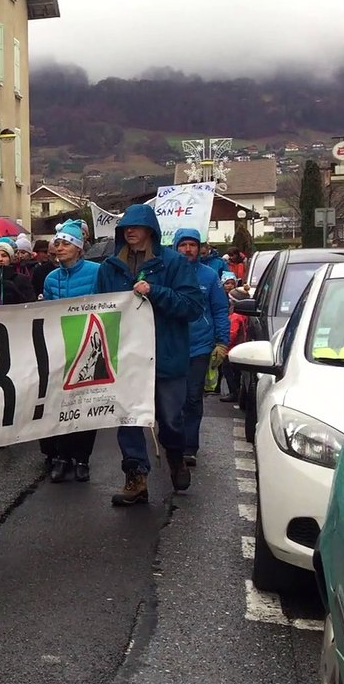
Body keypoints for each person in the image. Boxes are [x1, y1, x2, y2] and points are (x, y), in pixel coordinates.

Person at [96, 205, 204, 506]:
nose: (130, 231)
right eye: (125, 227)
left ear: (150, 230)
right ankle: (136, 478)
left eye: (136, 226)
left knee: (170, 420)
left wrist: (155, 291)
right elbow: (98, 311)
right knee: (128, 419)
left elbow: (193, 307)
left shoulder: (174, 264)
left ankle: (175, 456)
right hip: (126, 360)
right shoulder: (109, 268)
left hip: (166, 357)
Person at [40, 220, 102, 482]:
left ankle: (82, 459)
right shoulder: (51, 278)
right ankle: (62, 456)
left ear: (79, 248)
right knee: (59, 404)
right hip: (60, 349)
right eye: (58, 243)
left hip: (89, 347)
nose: (60, 247)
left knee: (86, 404)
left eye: (66, 243)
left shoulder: (97, 272)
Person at [173, 229, 230, 468]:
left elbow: (219, 309)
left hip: (199, 346)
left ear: (199, 248)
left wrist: (222, 341)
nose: (188, 249)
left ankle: (189, 447)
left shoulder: (208, 276)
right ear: (175, 248)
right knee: (172, 399)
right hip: (172, 345)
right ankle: (172, 442)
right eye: (183, 245)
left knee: (193, 397)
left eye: (192, 245)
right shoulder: (167, 273)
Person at [220, 275, 248, 403]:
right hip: (239, 347)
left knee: (228, 370)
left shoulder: (235, 316)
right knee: (236, 371)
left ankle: (233, 392)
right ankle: (236, 390)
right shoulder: (243, 315)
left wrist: (225, 343)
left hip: (231, 348)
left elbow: (232, 333)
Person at [0, 240, 34, 305]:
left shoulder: (22, 279)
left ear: (10, 258)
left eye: (4, 256)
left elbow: (30, 303)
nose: (0, 259)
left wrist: (13, 290)